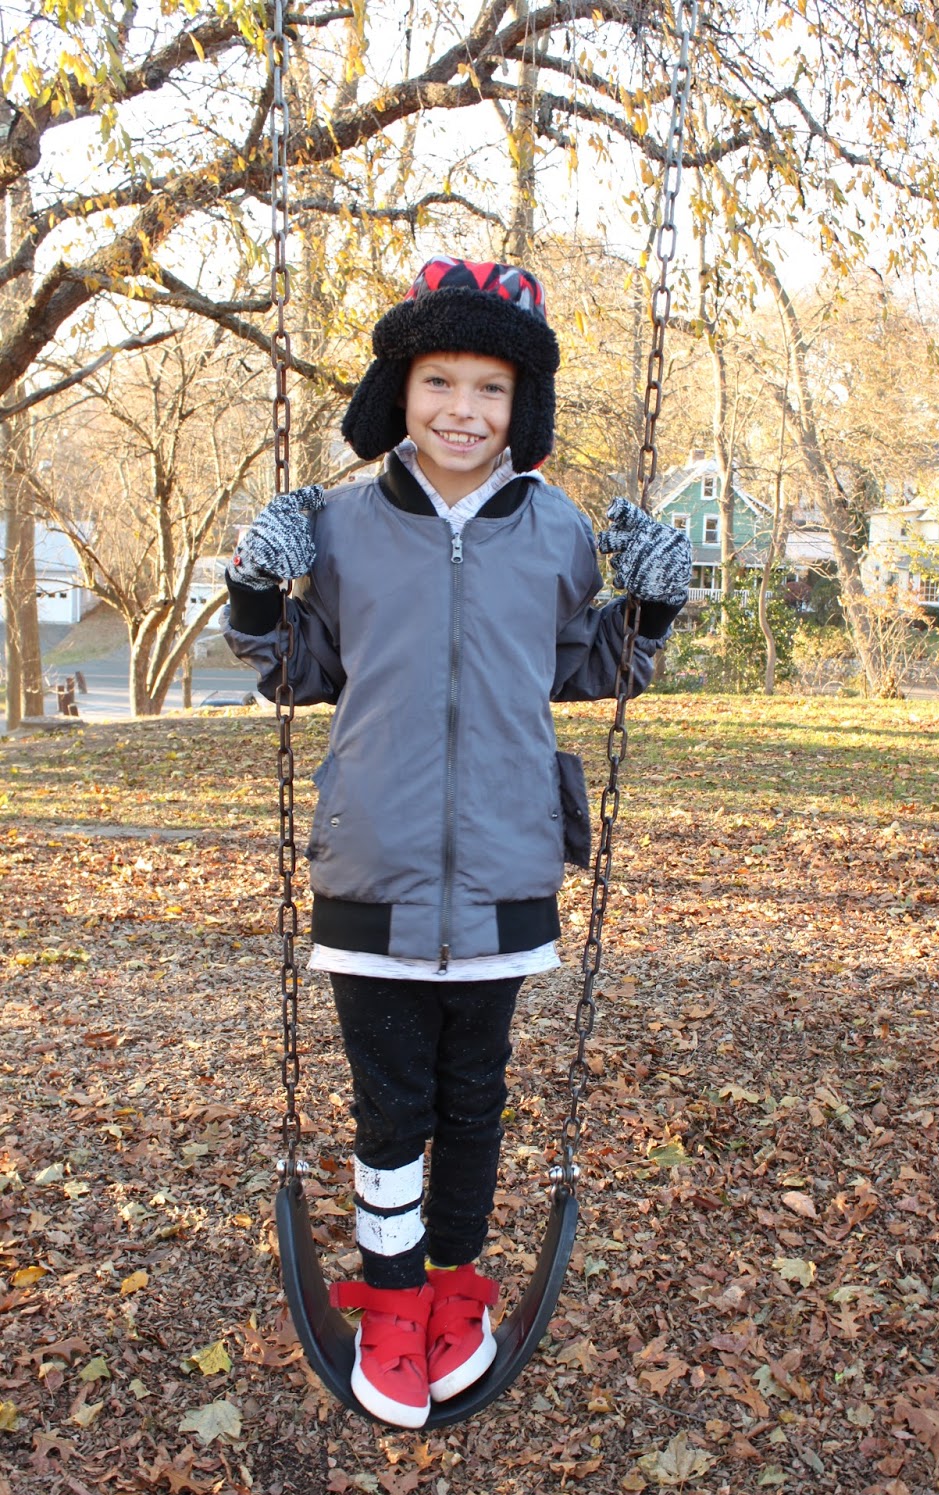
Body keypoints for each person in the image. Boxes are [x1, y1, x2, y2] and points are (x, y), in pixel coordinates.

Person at [224, 256, 691, 1427]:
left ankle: (452, 1289)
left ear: (520, 406)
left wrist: (651, 606)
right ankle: (388, 1302)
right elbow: (298, 671)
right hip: (373, 863)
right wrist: (256, 589)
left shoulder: (558, 530)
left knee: (474, 1095)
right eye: (439, 380)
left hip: (502, 865)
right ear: (400, 389)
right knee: (389, 1104)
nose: (463, 410)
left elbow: (584, 667)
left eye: (491, 387)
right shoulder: (339, 527)